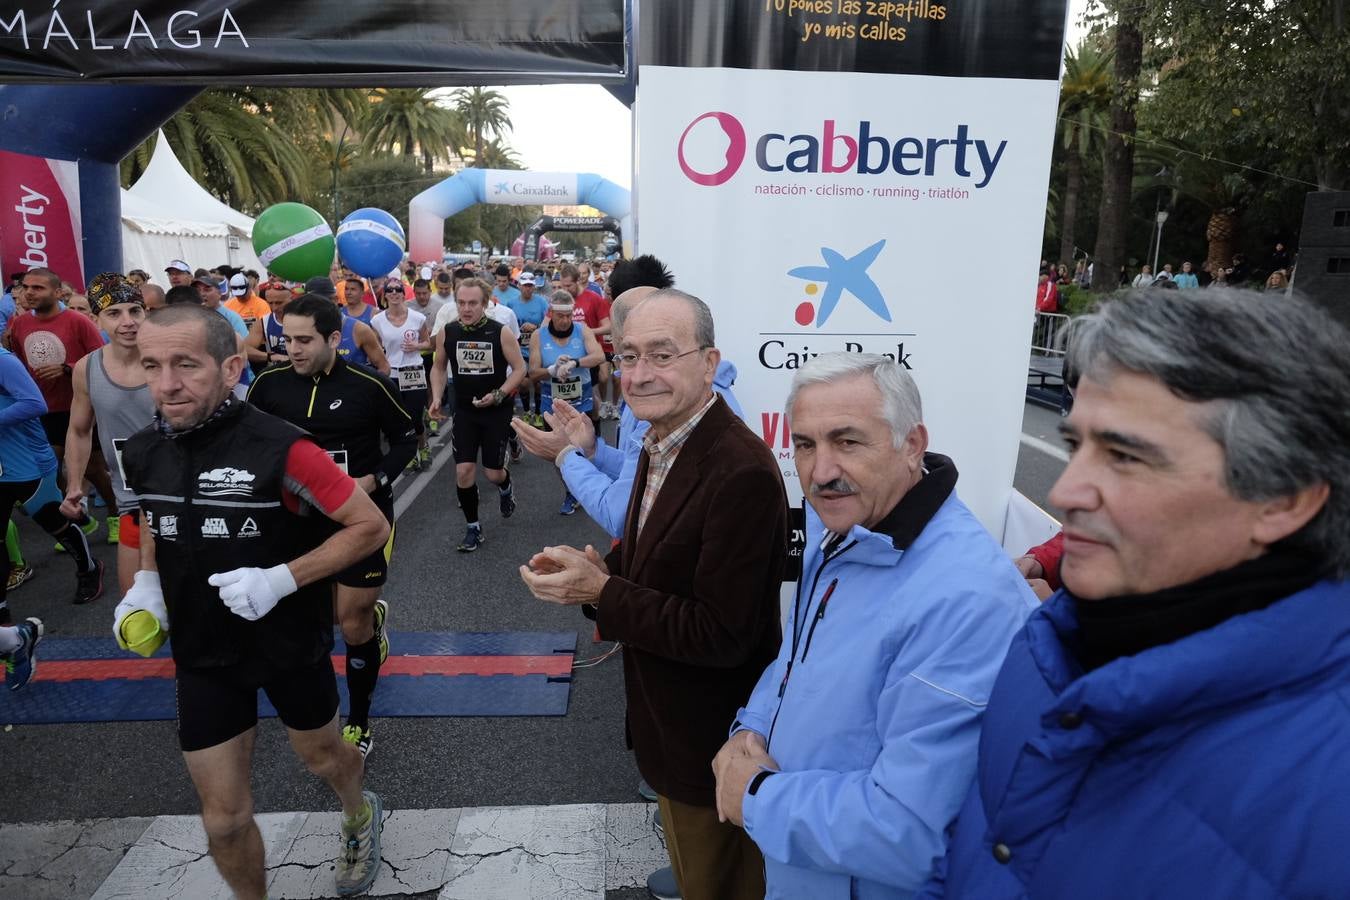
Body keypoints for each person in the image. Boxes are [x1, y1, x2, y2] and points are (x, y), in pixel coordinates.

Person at [921, 288, 1350, 898]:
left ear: (1284, 499)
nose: (1066, 492)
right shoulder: (1047, 642)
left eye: (1124, 456)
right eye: (1076, 447)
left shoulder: (1329, 798)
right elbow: (976, 845)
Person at [711, 353, 1035, 898]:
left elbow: (912, 834)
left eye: (847, 441)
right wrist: (752, 728)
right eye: (805, 445)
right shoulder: (847, 527)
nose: (820, 472)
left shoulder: (967, 599)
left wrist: (757, 796)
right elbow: (796, 660)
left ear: (912, 444)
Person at [520, 288, 787, 900]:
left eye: (662, 355)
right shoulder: (662, 438)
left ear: (709, 362)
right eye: (629, 356)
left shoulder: (740, 470)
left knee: (719, 884)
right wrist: (594, 575)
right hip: (667, 725)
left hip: (710, 739)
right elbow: (652, 557)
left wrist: (604, 590)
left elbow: (723, 634)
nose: (639, 375)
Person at [118, 303, 389, 897]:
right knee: (224, 819)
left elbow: (369, 525)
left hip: (287, 644)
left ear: (231, 368)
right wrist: (145, 586)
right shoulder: (141, 450)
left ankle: (358, 811)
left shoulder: (285, 449)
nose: (166, 384)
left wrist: (282, 579)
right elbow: (151, 524)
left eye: (186, 364)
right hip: (203, 653)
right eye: (152, 365)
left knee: (324, 759)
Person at [248, 294, 417, 760]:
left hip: (361, 518)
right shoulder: (267, 385)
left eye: (305, 340)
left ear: (334, 339)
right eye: (287, 340)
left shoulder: (370, 384)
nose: (293, 349)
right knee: (320, 619)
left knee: (352, 621)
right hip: (296, 520)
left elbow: (407, 439)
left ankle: (358, 722)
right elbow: (249, 442)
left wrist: (372, 480)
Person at [6, 267, 118, 543]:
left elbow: (102, 359)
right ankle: (79, 518)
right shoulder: (19, 324)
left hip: (79, 405)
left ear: (57, 293)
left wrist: (67, 368)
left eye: (38, 288)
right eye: (26, 287)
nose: (29, 293)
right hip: (41, 408)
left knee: (92, 468)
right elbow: (19, 364)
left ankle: (116, 514)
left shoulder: (78, 321)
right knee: (49, 467)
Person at [61, 274, 156, 595]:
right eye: (114, 313)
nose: (128, 322)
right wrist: (75, 486)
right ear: (96, 319)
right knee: (136, 603)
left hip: (179, 495)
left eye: (135, 311)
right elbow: (79, 430)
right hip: (129, 500)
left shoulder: (167, 359)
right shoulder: (87, 368)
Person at [1, 342, 104, 611]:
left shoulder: (3, 361)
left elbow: (35, 403)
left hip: (27, 464)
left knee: (55, 524)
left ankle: (89, 569)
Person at [430, 277, 526, 552]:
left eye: (472, 303)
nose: (466, 308)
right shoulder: (448, 332)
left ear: (484, 303)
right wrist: (436, 396)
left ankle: (505, 487)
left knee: (493, 473)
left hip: (495, 410)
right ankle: (473, 527)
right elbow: (438, 367)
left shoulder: (500, 332)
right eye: (461, 303)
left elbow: (520, 369)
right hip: (464, 409)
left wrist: (498, 394)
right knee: (464, 471)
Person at [528, 291, 604, 515]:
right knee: (559, 454)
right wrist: (552, 370)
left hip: (581, 401)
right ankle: (571, 491)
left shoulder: (582, 330)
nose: (566, 320)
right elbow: (533, 372)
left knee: (582, 448)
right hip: (553, 403)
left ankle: (591, 483)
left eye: (569, 315)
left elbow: (598, 356)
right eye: (561, 316)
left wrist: (574, 363)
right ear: (551, 313)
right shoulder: (539, 336)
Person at [370, 280, 432, 469]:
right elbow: (375, 346)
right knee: (398, 418)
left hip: (413, 371)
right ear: (385, 295)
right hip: (392, 374)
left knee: (415, 416)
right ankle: (409, 454)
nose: (394, 293)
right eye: (390, 290)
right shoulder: (377, 321)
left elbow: (428, 343)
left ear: (404, 294)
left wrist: (417, 346)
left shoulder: (417, 318)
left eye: (398, 290)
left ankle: (422, 446)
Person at [307, 277, 389, 375]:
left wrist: (363, 384)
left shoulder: (359, 329)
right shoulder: (304, 330)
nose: (312, 307)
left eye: (318, 302)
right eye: (308, 303)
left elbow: (384, 368)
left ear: (334, 300)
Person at [504, 271, 547, 424]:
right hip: (520, 349)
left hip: (537, 349)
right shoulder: (511, 304)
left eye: (530, 286)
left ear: (534, 287)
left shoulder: (542, 302)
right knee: (522, 383)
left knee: (538, 383)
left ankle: (538, 413)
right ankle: (527, 411)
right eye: (525, 285)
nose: (528, 289)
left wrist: (536, 327)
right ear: (519, 286)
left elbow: (548, 324)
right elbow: (507, 326)